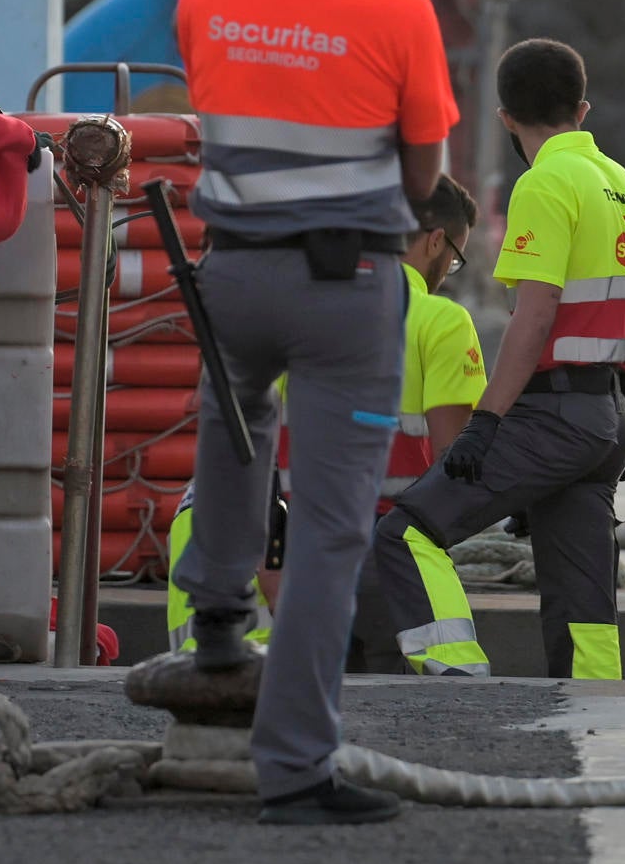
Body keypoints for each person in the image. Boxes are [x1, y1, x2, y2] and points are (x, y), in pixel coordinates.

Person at [170, 0, 458, 824]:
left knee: (231, 430)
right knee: (333, 526)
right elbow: (427, 178)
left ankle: (213, 615)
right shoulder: (402, 11)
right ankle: (295, 766)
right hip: (348, 288)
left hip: (232, 269)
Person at [371, 40, 625, 682]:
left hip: (552, 418)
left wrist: (488, 422)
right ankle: (592, 706)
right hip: (607, 424)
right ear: (582, 107)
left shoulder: (543, 184)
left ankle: (455, 673)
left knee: (405, 535)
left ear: (506, 117)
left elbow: (535, 314)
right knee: (583, 597)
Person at [166, 176, 488, 660]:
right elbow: (453, 459)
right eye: (455, 259)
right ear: (435, 240)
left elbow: (240, 432)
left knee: (196, 512)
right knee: (423, 543)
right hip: (386, 529)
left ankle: (212, 669)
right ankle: (457, 675)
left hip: (286, 518)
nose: (449, 269)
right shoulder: (442, 321)